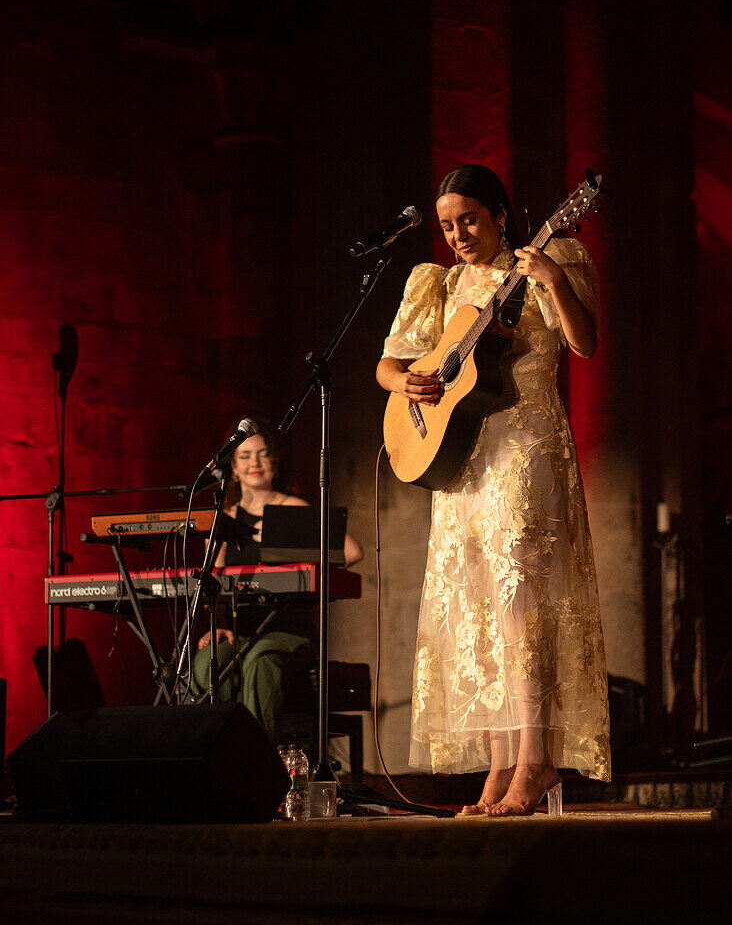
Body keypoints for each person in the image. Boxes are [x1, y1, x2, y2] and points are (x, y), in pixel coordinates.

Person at [376, 164, 610, 815]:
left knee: (520, 599)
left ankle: (535, 762)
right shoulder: (439, 282)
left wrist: (553, 280)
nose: (457, 235)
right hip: (462, 455)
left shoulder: (554, 254)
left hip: (526, 443)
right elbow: (388, 362)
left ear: (502, 214)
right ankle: (500, 768)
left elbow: (585, 345)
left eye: (469, 220)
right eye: (448, 225)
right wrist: (408, 385)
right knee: (474, 606)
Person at [191, 419, 363, 741]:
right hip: (239, 629)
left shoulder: (293, 508)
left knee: (261, 659)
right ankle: (222, 759)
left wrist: (303, 572)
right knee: (206, 664)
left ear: (275, 462)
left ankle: (260, 766)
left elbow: (352, 551)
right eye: (245, 456)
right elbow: (213, 582)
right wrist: (218, 623)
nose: (255, 463)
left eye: (263, 454)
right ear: (234, 468)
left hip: (287, 630)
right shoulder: (223, 518)